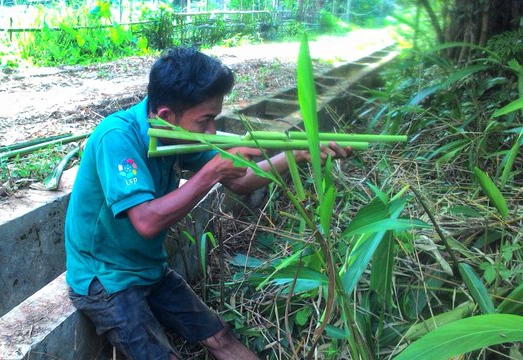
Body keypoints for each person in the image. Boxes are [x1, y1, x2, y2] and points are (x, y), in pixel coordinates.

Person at [65, 47, 351, 359]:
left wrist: (297, 154)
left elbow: (240, 181)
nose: (212, 131)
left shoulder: (174, 134)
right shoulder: (117, 137)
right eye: (206, 120)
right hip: (106, 277)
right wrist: (210, 173)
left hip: (147, 267)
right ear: (166, 116)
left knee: (219, 336)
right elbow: (145, 222)